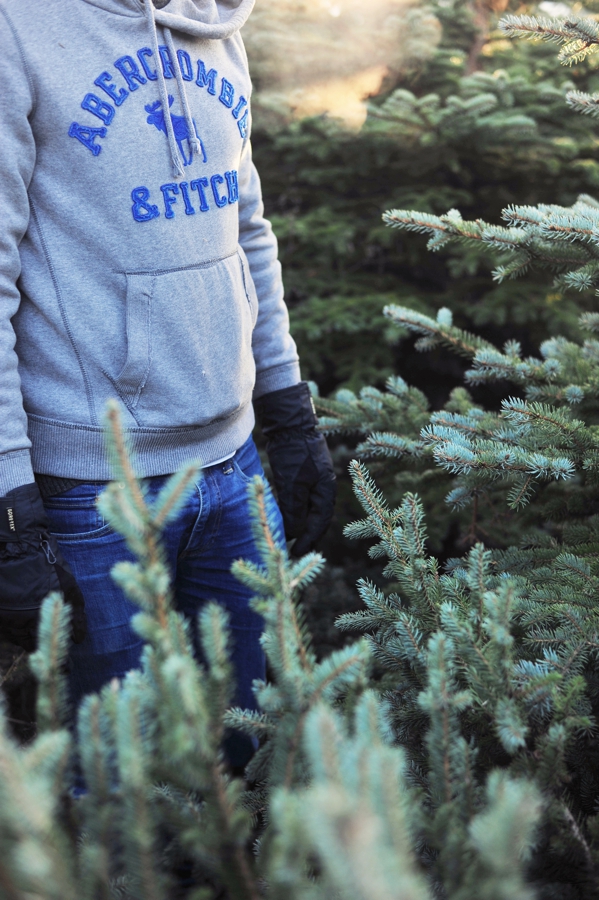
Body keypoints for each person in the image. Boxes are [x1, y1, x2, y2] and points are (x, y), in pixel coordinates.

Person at [0, 0, 336, 764]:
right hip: (94, 492)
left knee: (252, 755)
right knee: (117, 783)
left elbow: (245, 225)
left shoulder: (214, 20)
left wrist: (286, 406)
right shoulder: (16, 25)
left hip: (236, 468)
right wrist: (9, 503)